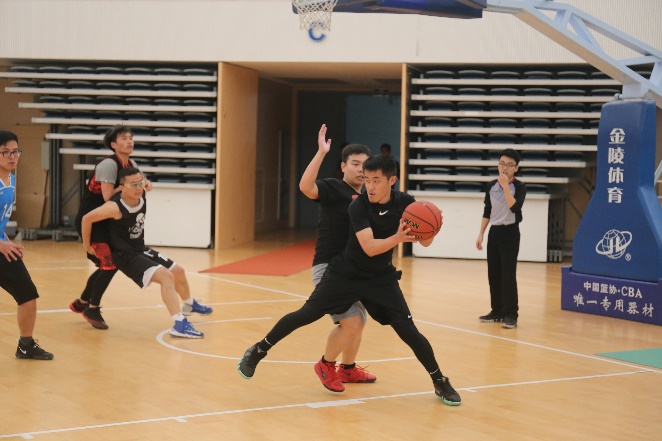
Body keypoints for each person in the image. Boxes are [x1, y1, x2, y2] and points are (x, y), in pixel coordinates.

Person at [238, 155, 461, 406]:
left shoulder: (406, 203)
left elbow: (425, 242)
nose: (370, 186)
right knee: (306, 314)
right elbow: (369, 247)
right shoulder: (358, 206)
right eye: (367, 180)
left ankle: (440, 381)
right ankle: (258, 350)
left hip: (380, 278)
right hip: (345, 274)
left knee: (408, 331)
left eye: (376, 180)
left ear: (392, 181)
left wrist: (432, 228)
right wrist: (398, 238)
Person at [80, 167, 211, 338]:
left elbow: (144, 183)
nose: (138, 188)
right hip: (124, 255)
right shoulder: (114, 207)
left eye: (140, 183)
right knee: (166, 276)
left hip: (140, 249)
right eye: (133, 185)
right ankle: (179, 324)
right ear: (122, 187)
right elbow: (86, 218)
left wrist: (145, 183)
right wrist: (87, 246)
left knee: (178, 271)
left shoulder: (141, 195)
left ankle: (189, 304)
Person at [299, 124, 375, 392]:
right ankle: (325, 365)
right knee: (351, 322)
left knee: (359, 321)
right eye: (355, 164)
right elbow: (306, 187)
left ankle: (348, 369)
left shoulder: (368, 199)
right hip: (329, 269)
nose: (361, 169)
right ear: (343, 166)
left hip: (354, 269)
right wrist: (321, 152)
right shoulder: (333, 187)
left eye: (365, 165)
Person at [69, 125, 149, 330]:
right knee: (110, 264)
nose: (129, 141)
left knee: (111, 264)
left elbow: (140, 182)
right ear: (113, 145)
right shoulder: (107, 165)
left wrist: (145, 184)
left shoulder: (132, 164)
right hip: (92, 219)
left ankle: (83, 302)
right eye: (124, 138)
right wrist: (128, 186)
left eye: (131, 138)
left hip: (109, 220)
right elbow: (107, 197)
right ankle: (92, 308)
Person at [0, 130, 53, 360]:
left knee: (28, 294)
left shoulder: (10, 179)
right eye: (5, 152)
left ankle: (26, 345)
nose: (12, 157)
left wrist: (5, 239)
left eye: (15, 152)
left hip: (3, 248)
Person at [476, 148, 527, 329]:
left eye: (509, 165)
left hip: (510, 233)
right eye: (502, 164)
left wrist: (505, 186)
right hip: (494, 232)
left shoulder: (519, 187)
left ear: (516, 168)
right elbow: (487, 211)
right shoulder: (491, 186)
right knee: (494, 273)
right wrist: (481, 233)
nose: (505, 168)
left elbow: (515, 207)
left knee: (508, 275)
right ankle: (496, 311)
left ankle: (511, 314)